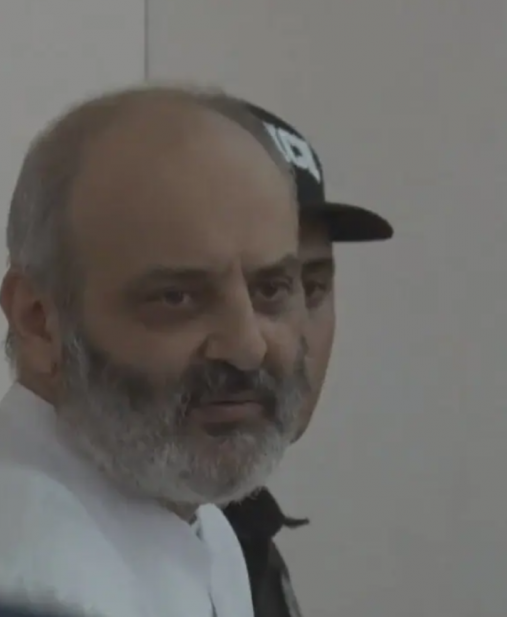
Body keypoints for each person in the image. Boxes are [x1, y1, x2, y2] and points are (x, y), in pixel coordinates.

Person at [0, 86, 310, 617]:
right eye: (177, 297)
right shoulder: (16, 578)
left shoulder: (193, 520)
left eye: (271, 289)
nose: (247, 346)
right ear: (38, 321)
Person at [221, 102, 392, 617]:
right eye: (183, 294)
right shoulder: (56, 570)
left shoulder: (238, 529)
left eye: (310, 288)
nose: (275, 343)